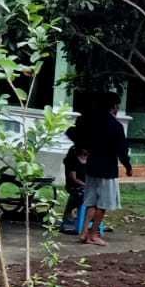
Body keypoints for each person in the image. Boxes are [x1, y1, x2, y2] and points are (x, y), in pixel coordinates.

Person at [79, 94, 131, 246]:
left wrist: (83, 151)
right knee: (103, 204)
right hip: (107, 170)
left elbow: (76, 135)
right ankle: (93, 235)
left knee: (91, 202)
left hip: (91, 167)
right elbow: (122, 151)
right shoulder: (115, 126)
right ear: (114, 107)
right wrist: (128, 167)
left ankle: (83, 233)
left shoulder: (91, 122)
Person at [60, 127, 89, 234]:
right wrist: (86, 185)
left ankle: (90, 222)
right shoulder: (73, 155)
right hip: (75, 185)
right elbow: (73, 178)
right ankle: (69, 222)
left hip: (86, 185)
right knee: (81, 195)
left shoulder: (89, 157)